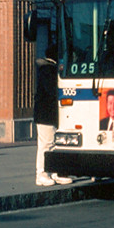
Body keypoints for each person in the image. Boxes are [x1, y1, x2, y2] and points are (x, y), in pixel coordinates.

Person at [34, 44, 72, 187]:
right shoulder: (48, 70)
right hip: (46, 115)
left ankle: (55, 172)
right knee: (46, 144)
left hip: (50, 115)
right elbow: (52, 91)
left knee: (54, 144)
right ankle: (42, 174)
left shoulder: (49, 69)